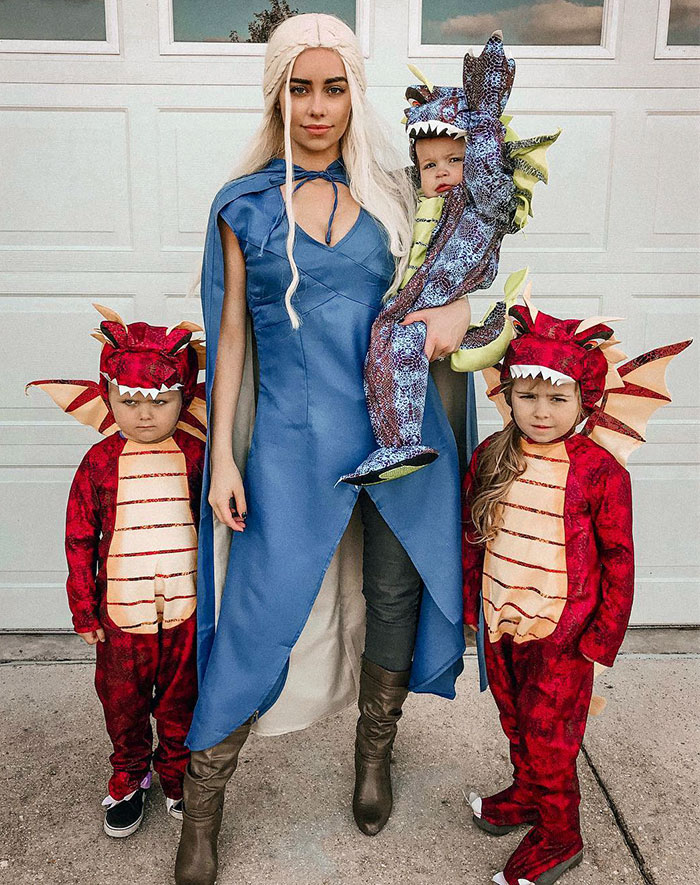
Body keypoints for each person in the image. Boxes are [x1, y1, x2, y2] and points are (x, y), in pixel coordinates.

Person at [175, 13, 475, 885]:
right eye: (301, 88)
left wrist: (456, 318)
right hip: (291, 442)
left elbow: (455, 294)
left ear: (355, 92)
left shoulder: (396, 193)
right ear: (277, 93)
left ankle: (374, 751)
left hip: (399, 434)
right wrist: (224, 457)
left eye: (333, 87)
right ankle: (205, 801)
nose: (318, 107)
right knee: (258, 611)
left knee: (392, 592)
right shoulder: (241, 206)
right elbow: (228, 337)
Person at [461, 295, 690, 885]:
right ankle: (527, 795)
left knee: (553, 739)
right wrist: (470, 606)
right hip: (502, 619)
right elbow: (473, 536)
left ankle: (560, 836)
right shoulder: (491, 454)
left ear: (584, 401)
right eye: (527, 396)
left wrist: (601, 639)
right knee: (516, 720)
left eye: (558, 399)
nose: (541, 411)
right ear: (505, 394)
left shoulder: (599, 471)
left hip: (564, 635)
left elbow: (619, 557)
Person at [339, 34, 560, 485]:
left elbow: (485, 174)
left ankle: (401, 443)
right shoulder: (425, 201)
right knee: (385, 340)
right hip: (430, 287)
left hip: (451, 276)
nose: (441, 171)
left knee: (399, 341)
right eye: (430, 164)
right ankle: (397, 438)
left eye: (454, 159)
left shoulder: (485, 198)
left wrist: (483, 117)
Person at [27, 305, 206, 838]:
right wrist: (84, 610)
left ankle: (176, 773)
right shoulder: (98, 463)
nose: (144, 415)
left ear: (185, 398)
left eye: (160, 401)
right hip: (121, 615)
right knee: (123, 702)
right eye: (129, 402)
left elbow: (223, 533)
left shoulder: (199, 458)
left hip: (186, 611)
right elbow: (79, 539)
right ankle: (129, 775)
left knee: (182, 700)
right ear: (107, 398)